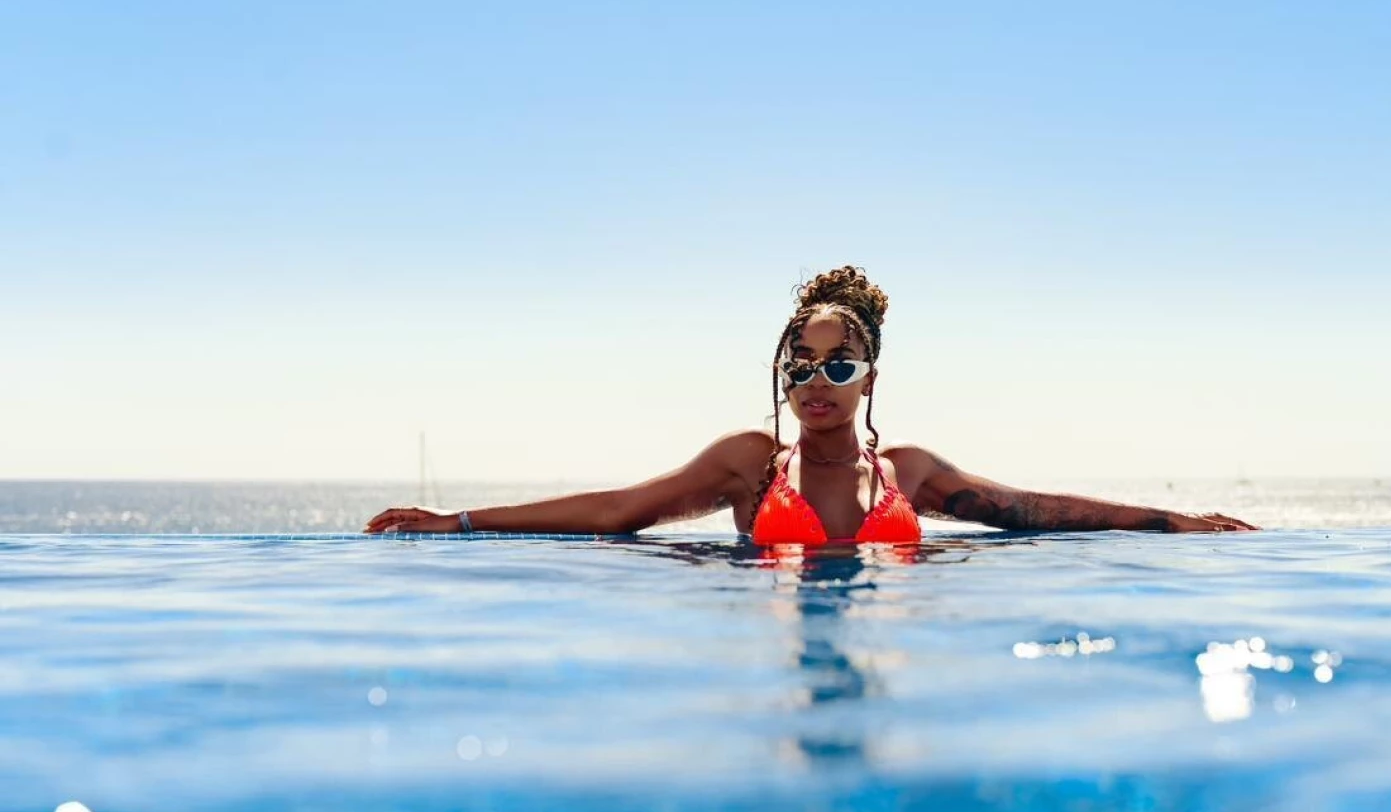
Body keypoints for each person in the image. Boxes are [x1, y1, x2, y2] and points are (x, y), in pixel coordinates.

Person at [364, 266, 1257, 539]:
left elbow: (1031, 513)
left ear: (871, 378)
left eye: (840, 366)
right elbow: (618, 511)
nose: (815, 383)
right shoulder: (750, 463)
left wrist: (1171, 524)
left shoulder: (908, 472)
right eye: (801, 363)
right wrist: (461, 521)